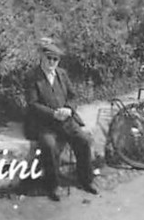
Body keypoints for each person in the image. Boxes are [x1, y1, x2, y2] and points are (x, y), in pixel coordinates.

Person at [23, 36, 98, 202]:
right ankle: (53, 186)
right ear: (42, 58)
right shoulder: (32, 76)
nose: (52, 62)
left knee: (84, 141)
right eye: (49, 58)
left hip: (65, 120)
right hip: (44, 123)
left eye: (55, 59)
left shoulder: (62, 74)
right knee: (49, 146)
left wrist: (68, 109)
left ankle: (86, 180)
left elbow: (73, 96)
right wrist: (52, 114)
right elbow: (32, 104)